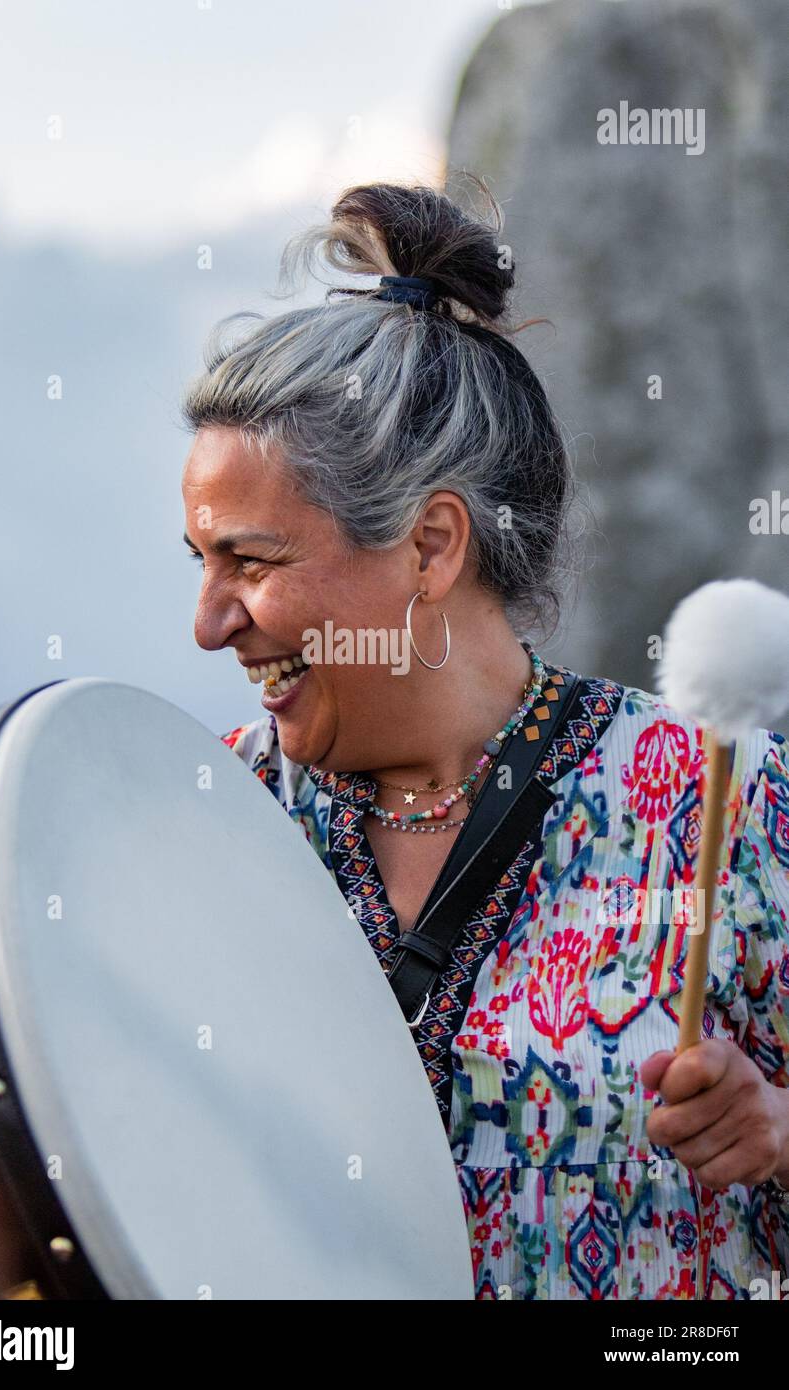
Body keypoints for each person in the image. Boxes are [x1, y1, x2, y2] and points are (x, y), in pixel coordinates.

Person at [180, 178, 789, 1300]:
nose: (209, 622)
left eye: (251, 564)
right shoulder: (212, 818)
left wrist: (778, 1129)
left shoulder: (721, 805)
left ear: (430, 547)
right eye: (200, 562)